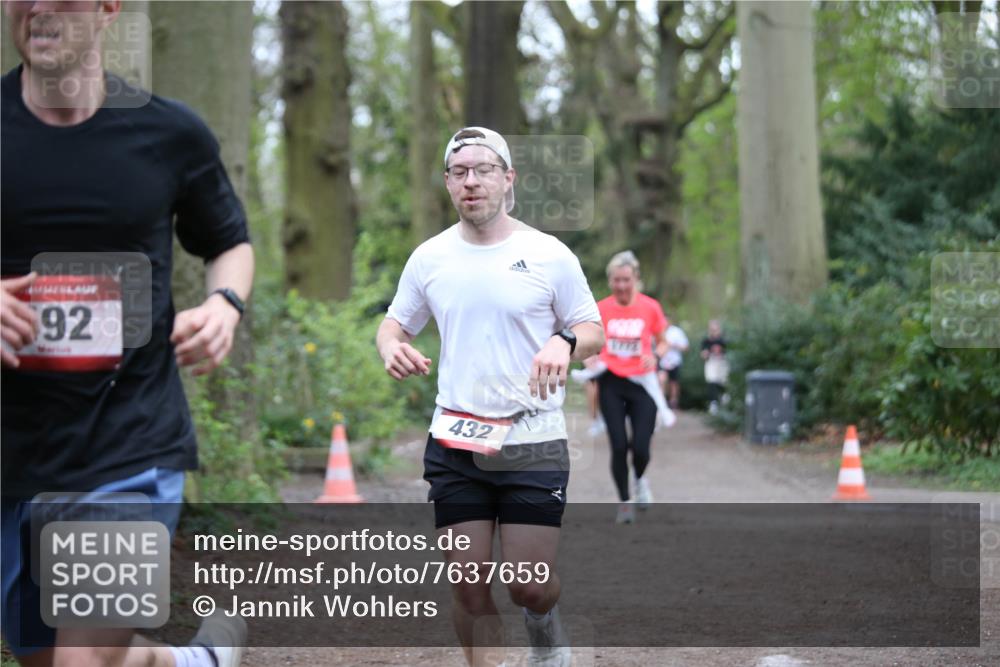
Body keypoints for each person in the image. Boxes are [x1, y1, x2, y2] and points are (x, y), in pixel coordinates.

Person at [2, 2, 253, 666]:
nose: (35, 7)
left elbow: (230, 241)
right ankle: (195, 661)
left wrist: (224, 303)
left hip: (127, 445)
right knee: (49, 657)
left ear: (109, 8)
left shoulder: (170, 134)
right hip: (12, 456)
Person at [376, 127, 604, 667]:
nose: (471, 181)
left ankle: (544, 631)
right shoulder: (429, 257)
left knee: (529, 586)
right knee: (468, 587)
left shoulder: (548, 254)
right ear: (448, 184)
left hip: (533, 438)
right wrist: (390, 347)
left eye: (482, 170)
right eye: (459, 172)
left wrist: (563, 340)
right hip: (455, 438)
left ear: (508, 179)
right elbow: (393, 324)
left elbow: (592, 332)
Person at [589, 252, 673, 524]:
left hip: (642, 383)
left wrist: (656, 356)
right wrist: (591, 357)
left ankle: (639, 479)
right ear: (610, 281)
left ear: (636, 279)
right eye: (616, 280)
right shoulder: (601, 308)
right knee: (618, 445)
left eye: (626, 280)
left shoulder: (650, 307)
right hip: (611, 381)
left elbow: (663, 340)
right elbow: (590, 341)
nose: (622, 286)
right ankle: (624, 502)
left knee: (641, 447)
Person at [657, 323, 689, 410]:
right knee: (662, 380)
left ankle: (673, 402)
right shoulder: (657, 330)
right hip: (661, 361)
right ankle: (661, 403)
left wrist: (673, 345)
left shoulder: (676, 331)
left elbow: (685, 347)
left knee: (673, 382)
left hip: (674, 361)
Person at [701, 319, 729, 414]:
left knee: (722, 382)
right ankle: (713, 403)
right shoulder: (706, 341)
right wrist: (706, 354)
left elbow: (729, 353)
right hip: (711, 362)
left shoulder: (724, 340)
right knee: (712, 381)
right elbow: (703, 354)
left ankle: (724, 399)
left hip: (722, 363)